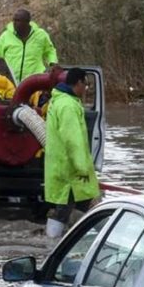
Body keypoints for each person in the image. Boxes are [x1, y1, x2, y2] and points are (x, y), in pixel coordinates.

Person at [43, 68, 100, 238]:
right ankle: (52, 244)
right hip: (71, 170)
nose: (86, 89)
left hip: (61, 166)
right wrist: (82, 168)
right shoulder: (68, 106)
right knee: (64, 209)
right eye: (86, 85)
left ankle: (75, 239)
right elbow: (73, 140)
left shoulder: (60, 101)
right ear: (79, 83)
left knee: (78, 206)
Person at [0, 9, 58, 83]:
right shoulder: (6, 36)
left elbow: (50, 50)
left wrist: (52, 63)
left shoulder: (41, 35)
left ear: (27, 22)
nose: (14, 23)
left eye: (18, 20)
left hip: (35, 82)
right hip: (11, 82)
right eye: (14, 20)